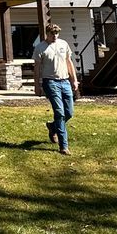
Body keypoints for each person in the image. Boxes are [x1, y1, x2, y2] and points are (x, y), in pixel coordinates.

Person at [33, 22, 79, 155]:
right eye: (52, 34)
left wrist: (74, 80)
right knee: (59, 112)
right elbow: (37, 67)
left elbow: (69, 62)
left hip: (65, 81)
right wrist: (37, 84)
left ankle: (52, 127)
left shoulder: (63, 44)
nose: (55, 36)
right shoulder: (40, 48)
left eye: (57, 33)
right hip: (50, 82)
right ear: (47, 34)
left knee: (69, 112)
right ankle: (63, 146)